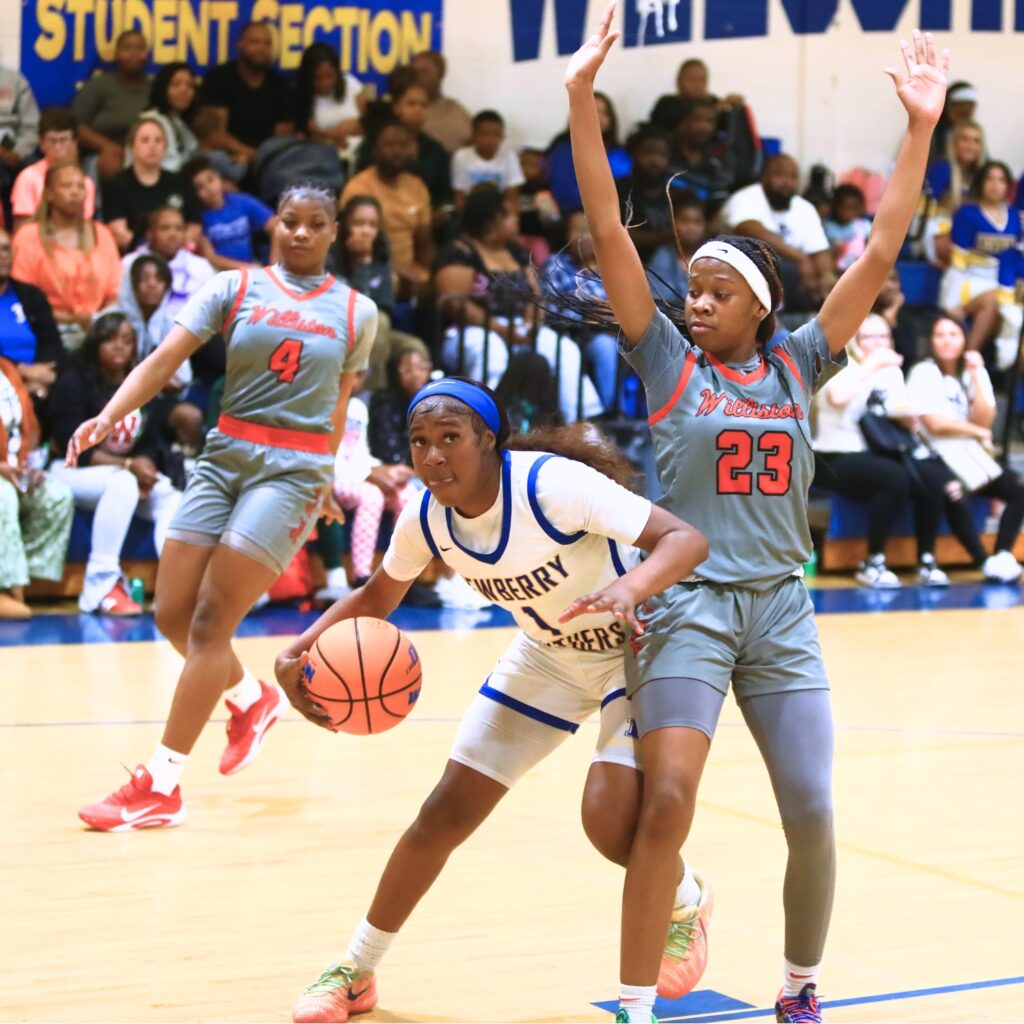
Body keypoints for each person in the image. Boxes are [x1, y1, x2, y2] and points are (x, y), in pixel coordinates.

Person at [564, 9, 948, 1021]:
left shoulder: (799, 357)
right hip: (685, 605)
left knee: (814, 810)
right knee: (669, 801)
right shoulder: (664, 360)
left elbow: (882, 251)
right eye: (688, 286)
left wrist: (919, 126)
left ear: (759, 306)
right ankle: (636, 1001)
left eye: (712, 288)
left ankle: (798, 987)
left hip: (779, 607)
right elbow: (608, 227)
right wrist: (578, 99)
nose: (693, 299)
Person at [277, 377, 712, 1024]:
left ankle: (685, 902)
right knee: (443, 813)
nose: (432, 457)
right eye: (420, 442)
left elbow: (685, 539)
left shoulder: (552, 485)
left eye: (450, 438)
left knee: (609, 818)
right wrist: (298, 652)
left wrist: (632, 589)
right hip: (549, 656)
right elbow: (374, 598)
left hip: (637, 645)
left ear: (487, 440)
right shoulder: (427, 516)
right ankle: (356, 971)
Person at [72, 180, 377, 830]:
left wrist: (323, 477)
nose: (299, 232)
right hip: (223, 456)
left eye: (315, 223)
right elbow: (160, 362)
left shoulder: (357, 312)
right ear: (275, 227)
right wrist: (106, 416)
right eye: (289, 220)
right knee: (171, 614)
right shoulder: (233, 288)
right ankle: (251, 696)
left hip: (291, 473)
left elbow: (338, 402)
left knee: (211, 622)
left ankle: (161, 783)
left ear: (332, 232)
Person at [48, 311, 183, 615]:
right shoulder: (73, 382)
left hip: (126, 472)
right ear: (95, 344)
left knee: (172, 498)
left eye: (127, 341)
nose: (120, 347)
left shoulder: (140, 384)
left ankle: (173, 591)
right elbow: (74, 445)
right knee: (123, 483)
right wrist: (129, 466)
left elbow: (150, 441)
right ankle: (100, 586)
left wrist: (145, 467)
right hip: (71, 471)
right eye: (111, 340)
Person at [435, 186, 602, 422]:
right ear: (491, 222)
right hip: (471, 330)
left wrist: (531, 323)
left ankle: (580, 423)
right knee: (491, 351)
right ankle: (487, 422)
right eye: (510, 216)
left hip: (518, 327)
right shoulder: (460, 251)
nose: (517, 221)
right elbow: (455, 304)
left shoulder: (516, 251)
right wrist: (501, 330)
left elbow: (535, 295)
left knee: (563, 349)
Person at [811, 313, 949, 588]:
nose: (877, 343)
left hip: (874, 451)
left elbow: (896, 408)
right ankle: (873, 562)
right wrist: (871, 364)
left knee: (931, 475)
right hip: (831, 455)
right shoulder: (836, 364)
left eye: (882, 337)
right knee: (893, 477)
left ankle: (926, 560)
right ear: (855, 340)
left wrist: (907, 416)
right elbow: (838, 399)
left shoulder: (890, 372)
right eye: (869, 337)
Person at [907, 315, 1024, 583]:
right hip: (934, 454)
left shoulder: (972, 370)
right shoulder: (923, 371)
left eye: (953, 335)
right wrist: (975, 431)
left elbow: (986, 419)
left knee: (1018, 489)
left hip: (969, 455)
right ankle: (984, 561)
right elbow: (934, 424)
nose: (946, 341)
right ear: (932, 342)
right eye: (940, 335)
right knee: (952, 491)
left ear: (965, 340)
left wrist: (977, 376)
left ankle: (1003, 553)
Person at [11, 161, 121, 350]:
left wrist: (98, 319)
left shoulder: (102, 233)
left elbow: (115, 291)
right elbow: (23, 297)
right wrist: (72, 319)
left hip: (99, 331)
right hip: (46, 330)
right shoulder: (28, 237)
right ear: (49, 193)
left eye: (80, 186)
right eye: (66, 186)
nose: (75, 192)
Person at [0, 353, 73, 620]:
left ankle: (24, 579)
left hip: (14, 468)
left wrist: (28, 466)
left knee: (56, 495)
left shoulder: (7, 368)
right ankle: (8, 587)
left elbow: (28, 425)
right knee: (2, 493)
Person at [333, 194, 430, 388]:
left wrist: (366, 260)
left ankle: (413, 412)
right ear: (345, 226)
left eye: (372, 225)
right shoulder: (332, 258)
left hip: (374, 333)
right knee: (379, 324)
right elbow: (350, 307)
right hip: (337, 331)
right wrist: (361, 264)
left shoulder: (380, 258)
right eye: (359, 223)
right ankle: (371, 399)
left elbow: (386, 304)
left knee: (414, 347)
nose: (366, 231)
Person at [331, 374, 416, 589]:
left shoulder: (358, 407)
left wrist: (386, 470)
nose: (356, 380)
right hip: (332, 479)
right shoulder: (326, 402)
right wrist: (369, 474)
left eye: (360, 376)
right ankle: (362, 576)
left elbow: (360, 451)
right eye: (352, 374)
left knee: (405, 495)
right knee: (372, 495)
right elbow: (329, 456)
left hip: (359, 475)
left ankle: (401, 575)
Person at [722, 153, 834, 311]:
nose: (787, 183)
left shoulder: (805, 208)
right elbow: (751, 230)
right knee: (785, 269)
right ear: (764, 176)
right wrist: (801, 259)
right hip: (749, 279)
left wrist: (826, 276)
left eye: (793, 177)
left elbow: (819, 250)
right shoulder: (746, 197)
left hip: (797, 286)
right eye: (779, 175)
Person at [341, 119, 434, 298]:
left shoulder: (416, 186)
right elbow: (355, 247)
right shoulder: (358, 187)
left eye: (402, 145)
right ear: (375, 150)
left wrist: (434, 275)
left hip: (412, 272)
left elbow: (425, 242)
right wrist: (406, 275)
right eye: (389, 145)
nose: (397, 152)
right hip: (374, 268)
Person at [938, 160, 1023, 358]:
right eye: (990, 179)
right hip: (970, 280)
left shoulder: (1015, 217)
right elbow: (958, 262)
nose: (995, 185)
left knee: (1008, 307)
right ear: (980, 183)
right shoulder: (967, 213)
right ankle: (969, 358)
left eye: (1001, 180)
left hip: (1003, 280)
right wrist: (950, 304)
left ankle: (1007, 369)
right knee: (995, 302)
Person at [543, 209, 626, 409]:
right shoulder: (557, 264)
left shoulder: (613, 265)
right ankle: (609, 414)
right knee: (605, 346)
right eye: (577, 231)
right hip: (575, 336)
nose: (584, 239)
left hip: (615, 332)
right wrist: (592, 315)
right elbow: (554, 310)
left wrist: (610, 317)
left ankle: (630, 415)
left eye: (590, 232)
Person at [198, 21, 295, 167]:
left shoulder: (280, 85)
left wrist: (263, 159)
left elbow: (282, 136)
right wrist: (252, 155)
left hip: (268, 162)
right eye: (254, 42)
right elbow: (215, 134)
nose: (261, 48)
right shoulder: (219, 78)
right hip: (229, 158)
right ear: (240, 44)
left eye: (267, 43)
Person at [102, 116, 203, 252]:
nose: (152, 146)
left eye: (158, 140)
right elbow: (119, 232)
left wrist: (175, 250)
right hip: (137, 257)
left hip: (179, 254)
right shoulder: (116, 185)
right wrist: (152, 253)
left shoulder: (180, 181)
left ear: (165, 147)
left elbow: (194, 225)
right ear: (132, 147)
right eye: (145, 140)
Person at [72, 30, 151, 180]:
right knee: (111, 162)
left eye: (140, 49)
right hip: (102, 153)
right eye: (127, 49)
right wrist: (106, 147)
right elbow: (76, 125)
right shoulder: (100, 85)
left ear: (146, 54)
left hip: (147, 154)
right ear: (117, 54)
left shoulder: (154, 89)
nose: (134, 54)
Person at [0, 228, 63, 415]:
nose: (1, 255)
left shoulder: (31, 295)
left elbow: (51, 340)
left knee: (71, 384)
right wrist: (20, 371)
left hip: (38, 375)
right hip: (6, 376)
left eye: (5, 249)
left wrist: (44, 372)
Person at [10, 108, 98, 232]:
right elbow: (21, 228)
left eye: (63, 140)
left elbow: (85, 225)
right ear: (41, 143)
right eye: (52, 141)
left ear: (75, 143)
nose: (57, 147)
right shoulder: (28, 177)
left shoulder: (85, 182)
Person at [546, 92, 630, 220]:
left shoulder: (618, 152)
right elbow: (565, 192)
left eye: (604, 112)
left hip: (616, 215)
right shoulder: (564, 148)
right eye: (592, 110)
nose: (598, 117)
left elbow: (625, 187)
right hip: (575, 213)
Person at [120, 206, 216, 317]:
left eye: (179, 229)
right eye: (165, 228)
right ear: (149, 233)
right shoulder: (129, 263)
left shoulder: (200, 266)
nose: (173, 235)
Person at [185, 156, 277, 271]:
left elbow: (276, 227)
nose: (209, 189)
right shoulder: (198, 217)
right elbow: (211, 258)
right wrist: (249, 269)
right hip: (218, 274)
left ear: (220, 179)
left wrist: (274, 265)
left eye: (211, 179)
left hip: (252, 265)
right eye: (200, 187)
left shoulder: (241, 201)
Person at [922, 120, 984, 264]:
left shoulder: (984, 175)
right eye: (965, 139)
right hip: (937, 226)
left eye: (976, 141)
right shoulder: (942, 170)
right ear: (954, 143)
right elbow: (923, 215)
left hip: (971, 230)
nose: (970, 146)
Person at [295, 43, 369, 161]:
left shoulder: (351, 85)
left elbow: (373, 123)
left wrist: (357, 124)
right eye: (318, 77)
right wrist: (327, 135)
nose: (325, 83)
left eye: (330, 76)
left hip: (357, 157)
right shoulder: (300, 96)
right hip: (322, 161)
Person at [667, 97, 733, 214]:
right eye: (697, 120)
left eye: (709, 121)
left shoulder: (718, 161)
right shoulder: (666, 153)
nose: (703, 127)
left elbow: (719, 205)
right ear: (684, 122)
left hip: (700, 226)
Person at [452, 110, 525, 213]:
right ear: (474, 135)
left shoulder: (510, 157)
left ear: (502, 137)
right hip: (471, 212)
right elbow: (460, 198)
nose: (490, 139)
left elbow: (512, 200)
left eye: (496, 134)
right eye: (485, 134)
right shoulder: (461, 157)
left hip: (499, 213)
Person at [133, 63, 200, 173]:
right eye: (175, 85)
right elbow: (170, 167)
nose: (184, 90)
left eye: (190, 86)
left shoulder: (178, 122)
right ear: (162, 88)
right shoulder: (151, 122)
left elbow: (194, 154)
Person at [646, 189, 708, 302]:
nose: (691, 228)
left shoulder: (712, 257)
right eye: (685, 221)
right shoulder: (664, 255)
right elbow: (660, 299)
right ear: (673, 223)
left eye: (697, 222)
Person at [411, 50, 472, 153]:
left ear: (440, 74)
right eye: (414, 73)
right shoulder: (402, 110)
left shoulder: (458, 113)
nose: (418, 77)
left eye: (424, 72)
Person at [0, 65, 40, 188]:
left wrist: (18, 152)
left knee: (34, 170)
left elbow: (32, 126)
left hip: (13, 148)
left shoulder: (14, 80)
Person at [823, 183, 872, 273]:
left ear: (860, 208)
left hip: (859, 270)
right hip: (835, 269)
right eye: (844, 207)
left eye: (853, 208)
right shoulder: (827, 227)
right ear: (835, 206)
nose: (848, 212)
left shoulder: (864, 226)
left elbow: (870, 250)